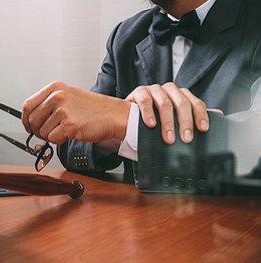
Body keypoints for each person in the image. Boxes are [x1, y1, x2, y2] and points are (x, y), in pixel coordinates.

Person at [21, 0, 261, 192]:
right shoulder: (125, 35)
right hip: (138, 231)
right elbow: (75, 145)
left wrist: (128, 121)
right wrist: (113, 135)